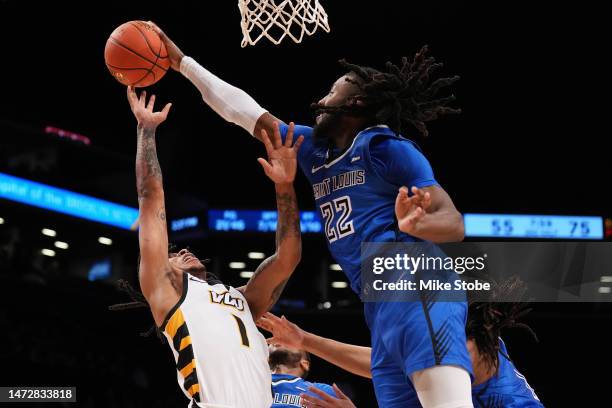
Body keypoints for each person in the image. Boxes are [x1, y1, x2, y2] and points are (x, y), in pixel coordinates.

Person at [151, 22, 472, 407]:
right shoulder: (312, 153)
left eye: (333, 91)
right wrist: (181, 62)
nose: (321, 99)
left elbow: (454, 224)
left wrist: (418, 223)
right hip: (379, 306)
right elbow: (243, 112)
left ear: (355, 104)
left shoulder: (384, 147)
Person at [124, 86, 303, 408]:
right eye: (173, 255)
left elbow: (288, 257)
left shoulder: (241, 300)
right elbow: (151, 198)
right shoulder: (166, 291)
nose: (181, 252)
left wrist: (285, 186)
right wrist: (146, 131)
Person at [257, 283, 544, 408]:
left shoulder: (468, 348)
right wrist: (304, 339)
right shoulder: (459, 337)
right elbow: (384, 363)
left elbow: (383, 366)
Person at [268, 343, 354, 407]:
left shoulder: (324, 392)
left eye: (288, 342)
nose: (277, 341)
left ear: (304, 364)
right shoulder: (256, 380)